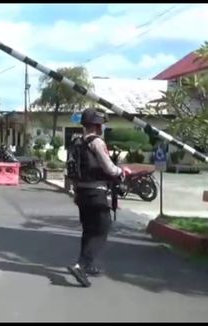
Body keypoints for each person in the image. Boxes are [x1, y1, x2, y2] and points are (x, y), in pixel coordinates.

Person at [66, 108, 124, 287]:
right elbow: (109, 168)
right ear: (98, 125)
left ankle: (87, 264)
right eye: (102, 124)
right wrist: (121, 172)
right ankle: (81, 266)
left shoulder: (76, 143)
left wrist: (76, 192)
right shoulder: (97, 142)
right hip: (96, 192)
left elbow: (72, 171)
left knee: (89, 230)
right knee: (102, 229)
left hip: (81, 193)